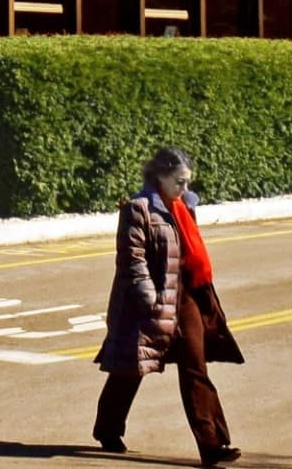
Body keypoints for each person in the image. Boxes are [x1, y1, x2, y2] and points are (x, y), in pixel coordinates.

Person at [93, 145, 241, 464]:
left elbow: (190, 251)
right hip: (149, 300)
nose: (185, 188)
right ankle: (107, 427)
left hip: (185, 294)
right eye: (180, 181)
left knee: (194, 366)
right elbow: (132, 259)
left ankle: (212, 444)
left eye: (187, 181)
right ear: (160, 176)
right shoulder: (138, 208)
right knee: (131, 367)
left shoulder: (185, 206)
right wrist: (150, 298)